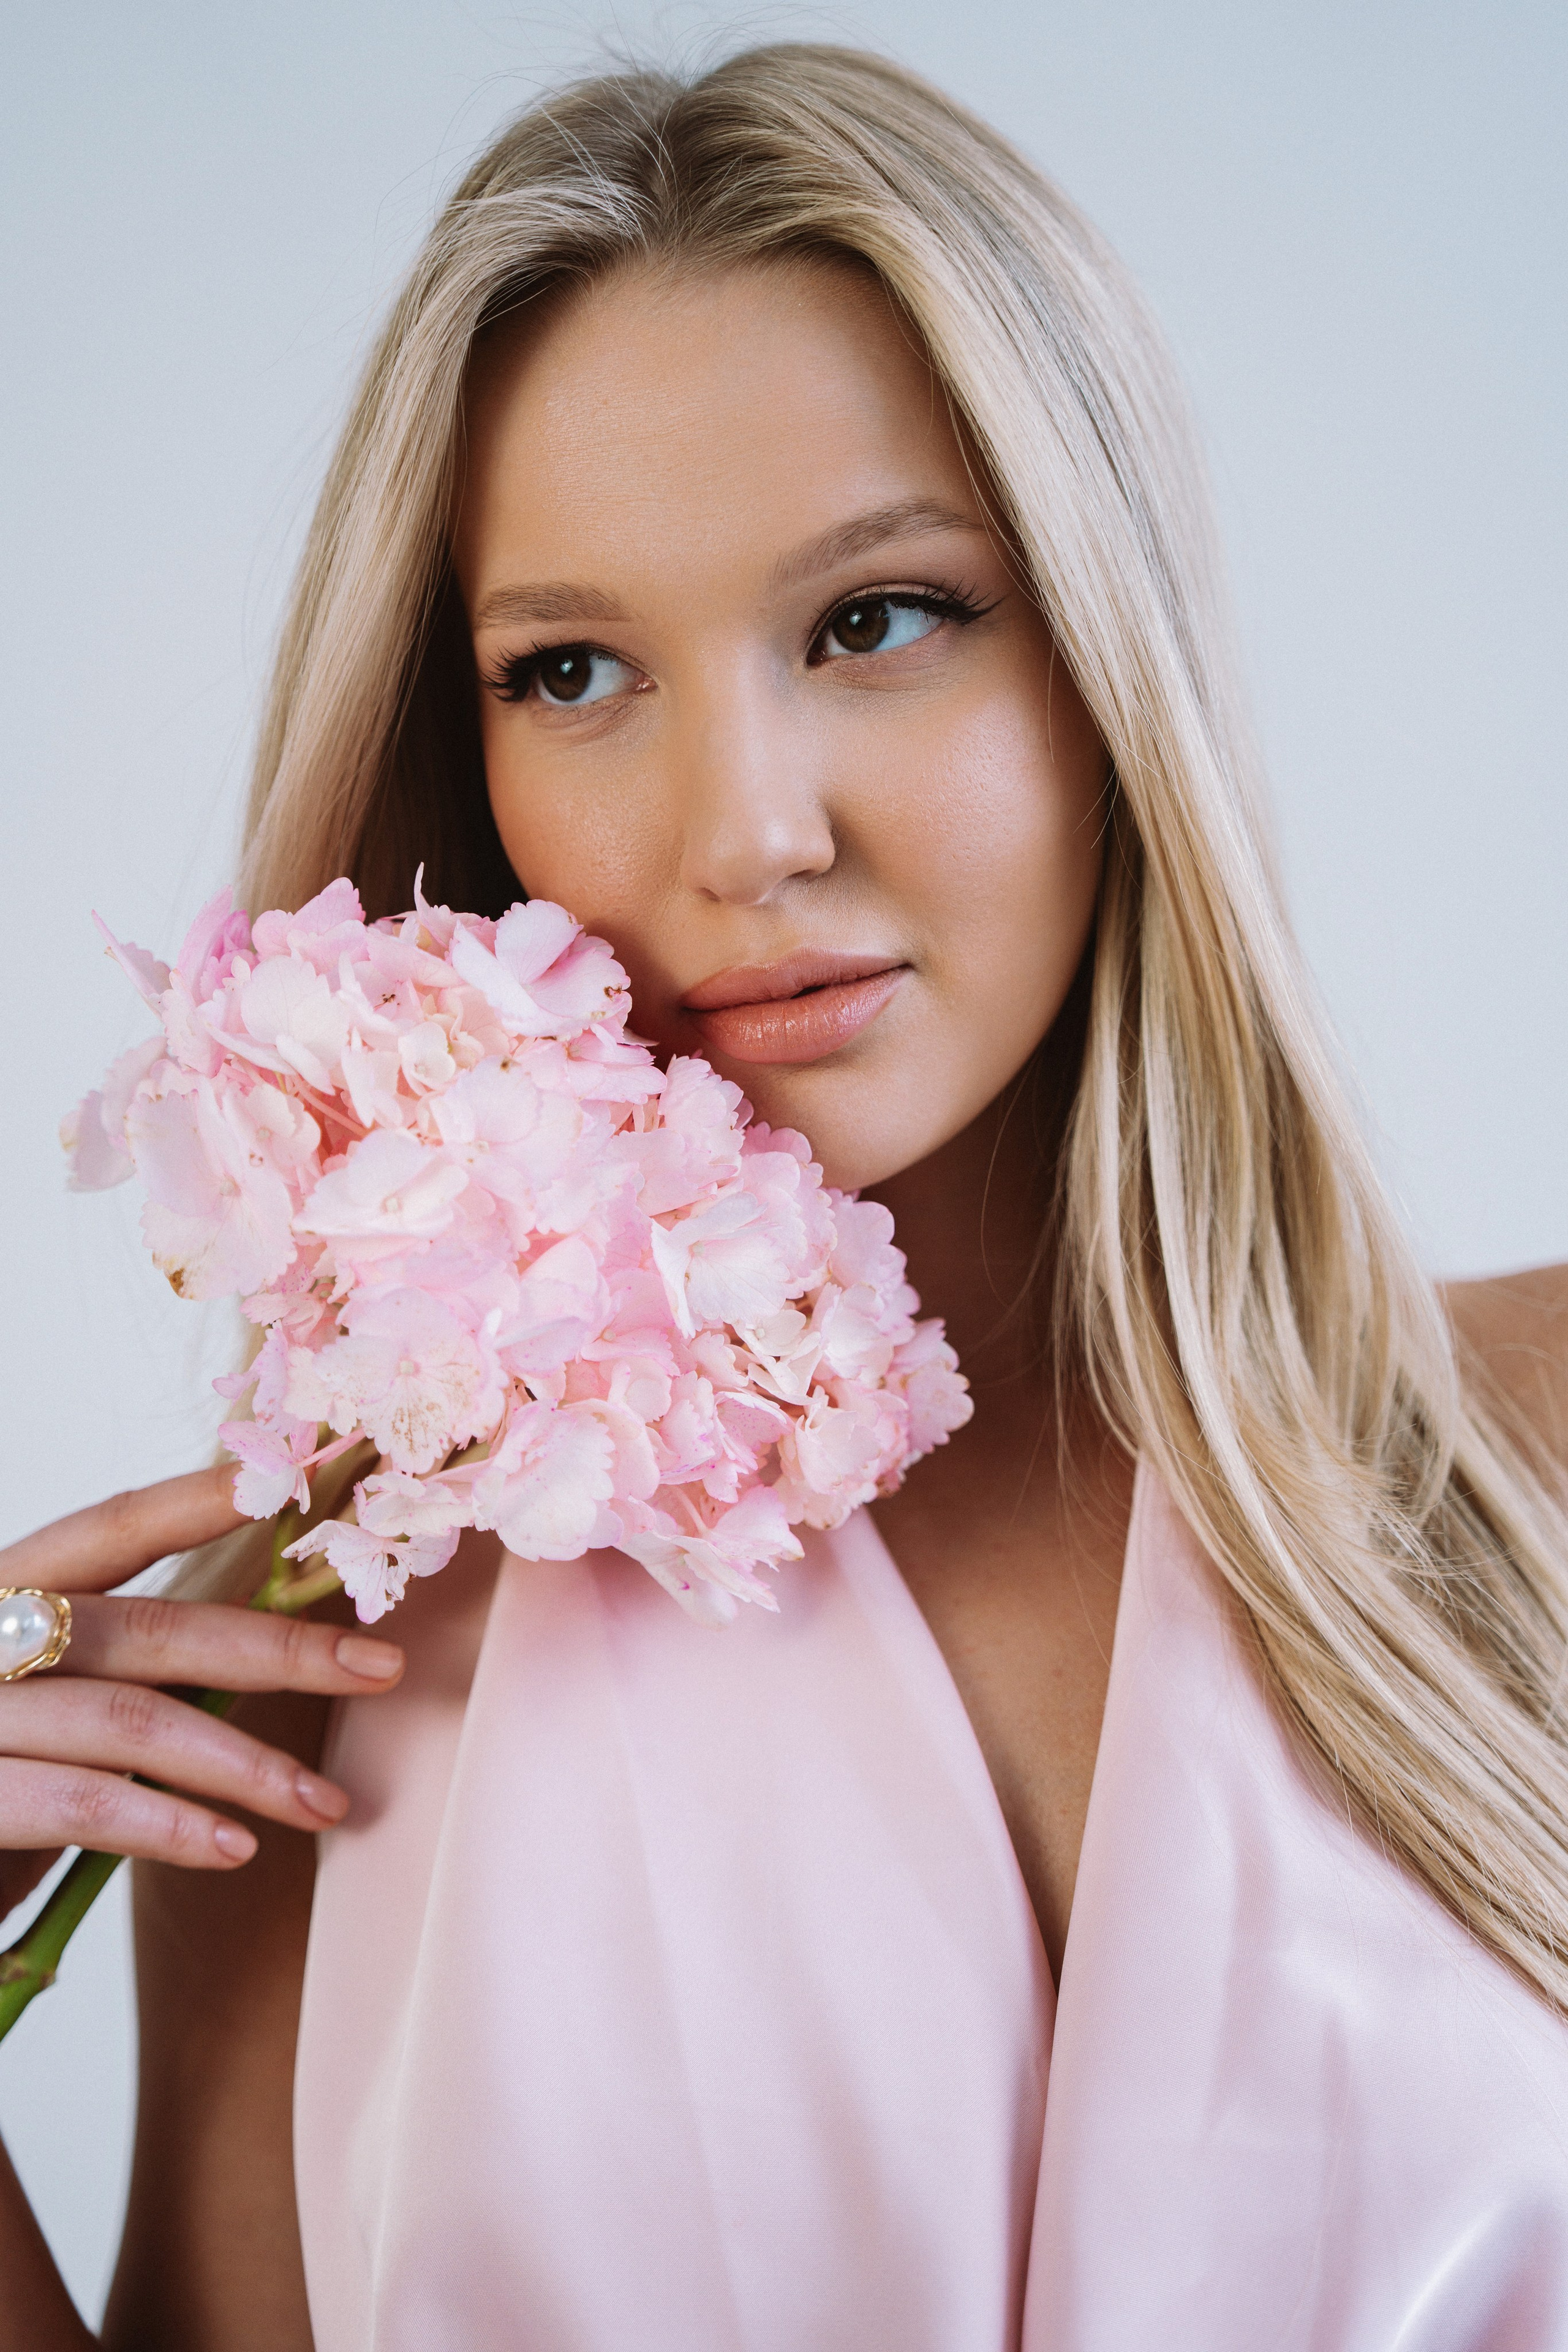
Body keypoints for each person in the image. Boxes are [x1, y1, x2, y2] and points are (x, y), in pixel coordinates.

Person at [4, 43, 1568, 2351]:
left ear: (1108, 661)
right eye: (570, 668)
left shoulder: (1533, 1455)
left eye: (876, 619)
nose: (743, 832)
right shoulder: (334, 1645)